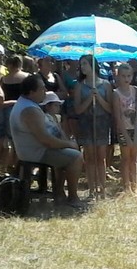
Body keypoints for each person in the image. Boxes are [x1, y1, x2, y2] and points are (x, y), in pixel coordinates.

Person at [10, 74, 83, 208]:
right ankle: (73, 197)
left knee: (65, 154)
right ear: (31, 92)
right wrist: (69, 144)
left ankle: (59, 193)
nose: (45, 92)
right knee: (76, 157)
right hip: (36, 152)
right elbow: (46, 140)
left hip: (35, 149)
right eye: (42, 89)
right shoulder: (30, 110)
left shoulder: (26, 104)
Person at [74, 54, 112, 199]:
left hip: (102, 122)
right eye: (81, 64)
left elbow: (110, 108)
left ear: (92, 66)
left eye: (85, 64)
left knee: (101, 157)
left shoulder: (106, 85)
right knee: (89, 157)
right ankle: (91, 189)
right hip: (86, 122)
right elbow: (77, 110)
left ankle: (102, 189)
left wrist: (99, 98)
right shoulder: (79, 86)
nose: (82, 67)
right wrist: (90, 98)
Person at [112, 63, 137, 194]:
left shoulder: (136, 90)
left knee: (134, 159)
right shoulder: (116, 94)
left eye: (129, 76)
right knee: (125, 158)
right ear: (118, 76)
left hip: (136, 128)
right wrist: (126, 136)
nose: (126, 79)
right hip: (124, 129)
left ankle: (135, 186)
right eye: (123, 76)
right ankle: (126, 187)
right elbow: (118, 118)